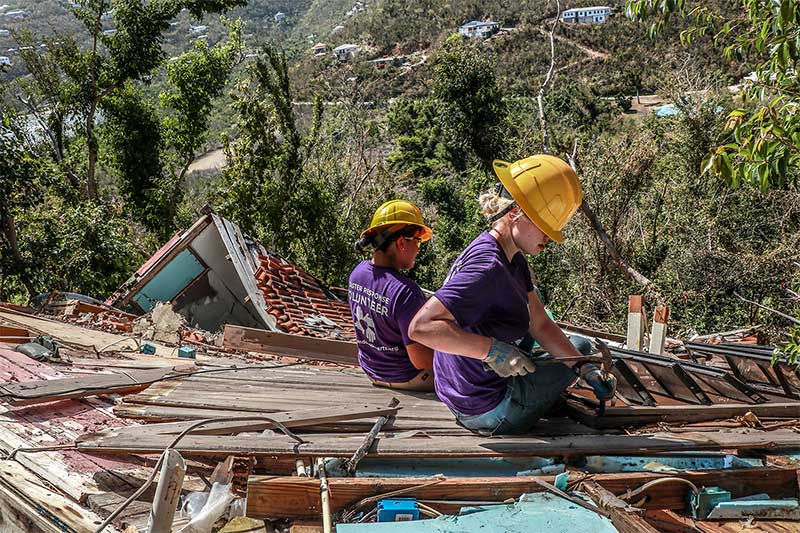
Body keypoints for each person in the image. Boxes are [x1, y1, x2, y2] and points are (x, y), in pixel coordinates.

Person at [409, 155, 616, 434]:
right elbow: (421, 327)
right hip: (489, 409)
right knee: (580, 347)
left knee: (577, 351)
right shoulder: (488, 267)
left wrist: (585, 369)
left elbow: (540, 323)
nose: (549, 236)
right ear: (514, 213)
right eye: (543, 224)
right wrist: (492, 352)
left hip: (463, 394)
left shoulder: (510, 257)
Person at [348, 200, 436, 391]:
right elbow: (421, 361)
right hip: (408, 379)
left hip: (372, 372)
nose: (419, 249)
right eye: (418, 241)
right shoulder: (406, 292)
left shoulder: (357, 273)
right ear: (402, 242)